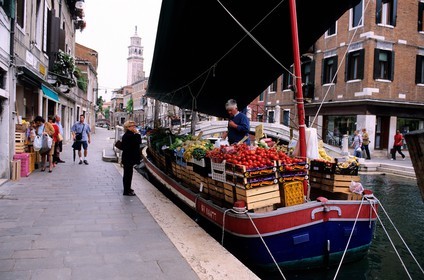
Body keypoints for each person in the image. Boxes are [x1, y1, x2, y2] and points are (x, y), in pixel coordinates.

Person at [121, 120, 142, 196]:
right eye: (133, 126)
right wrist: (137, 133)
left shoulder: (127, 135)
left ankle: (127, 188)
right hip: (129, 158)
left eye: (134, 125)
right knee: (128, 175)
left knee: (128, 174)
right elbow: (139, 141)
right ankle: (126, 191)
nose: (134, 127)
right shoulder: (130, 136)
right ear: (128, 127)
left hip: (127, 158)